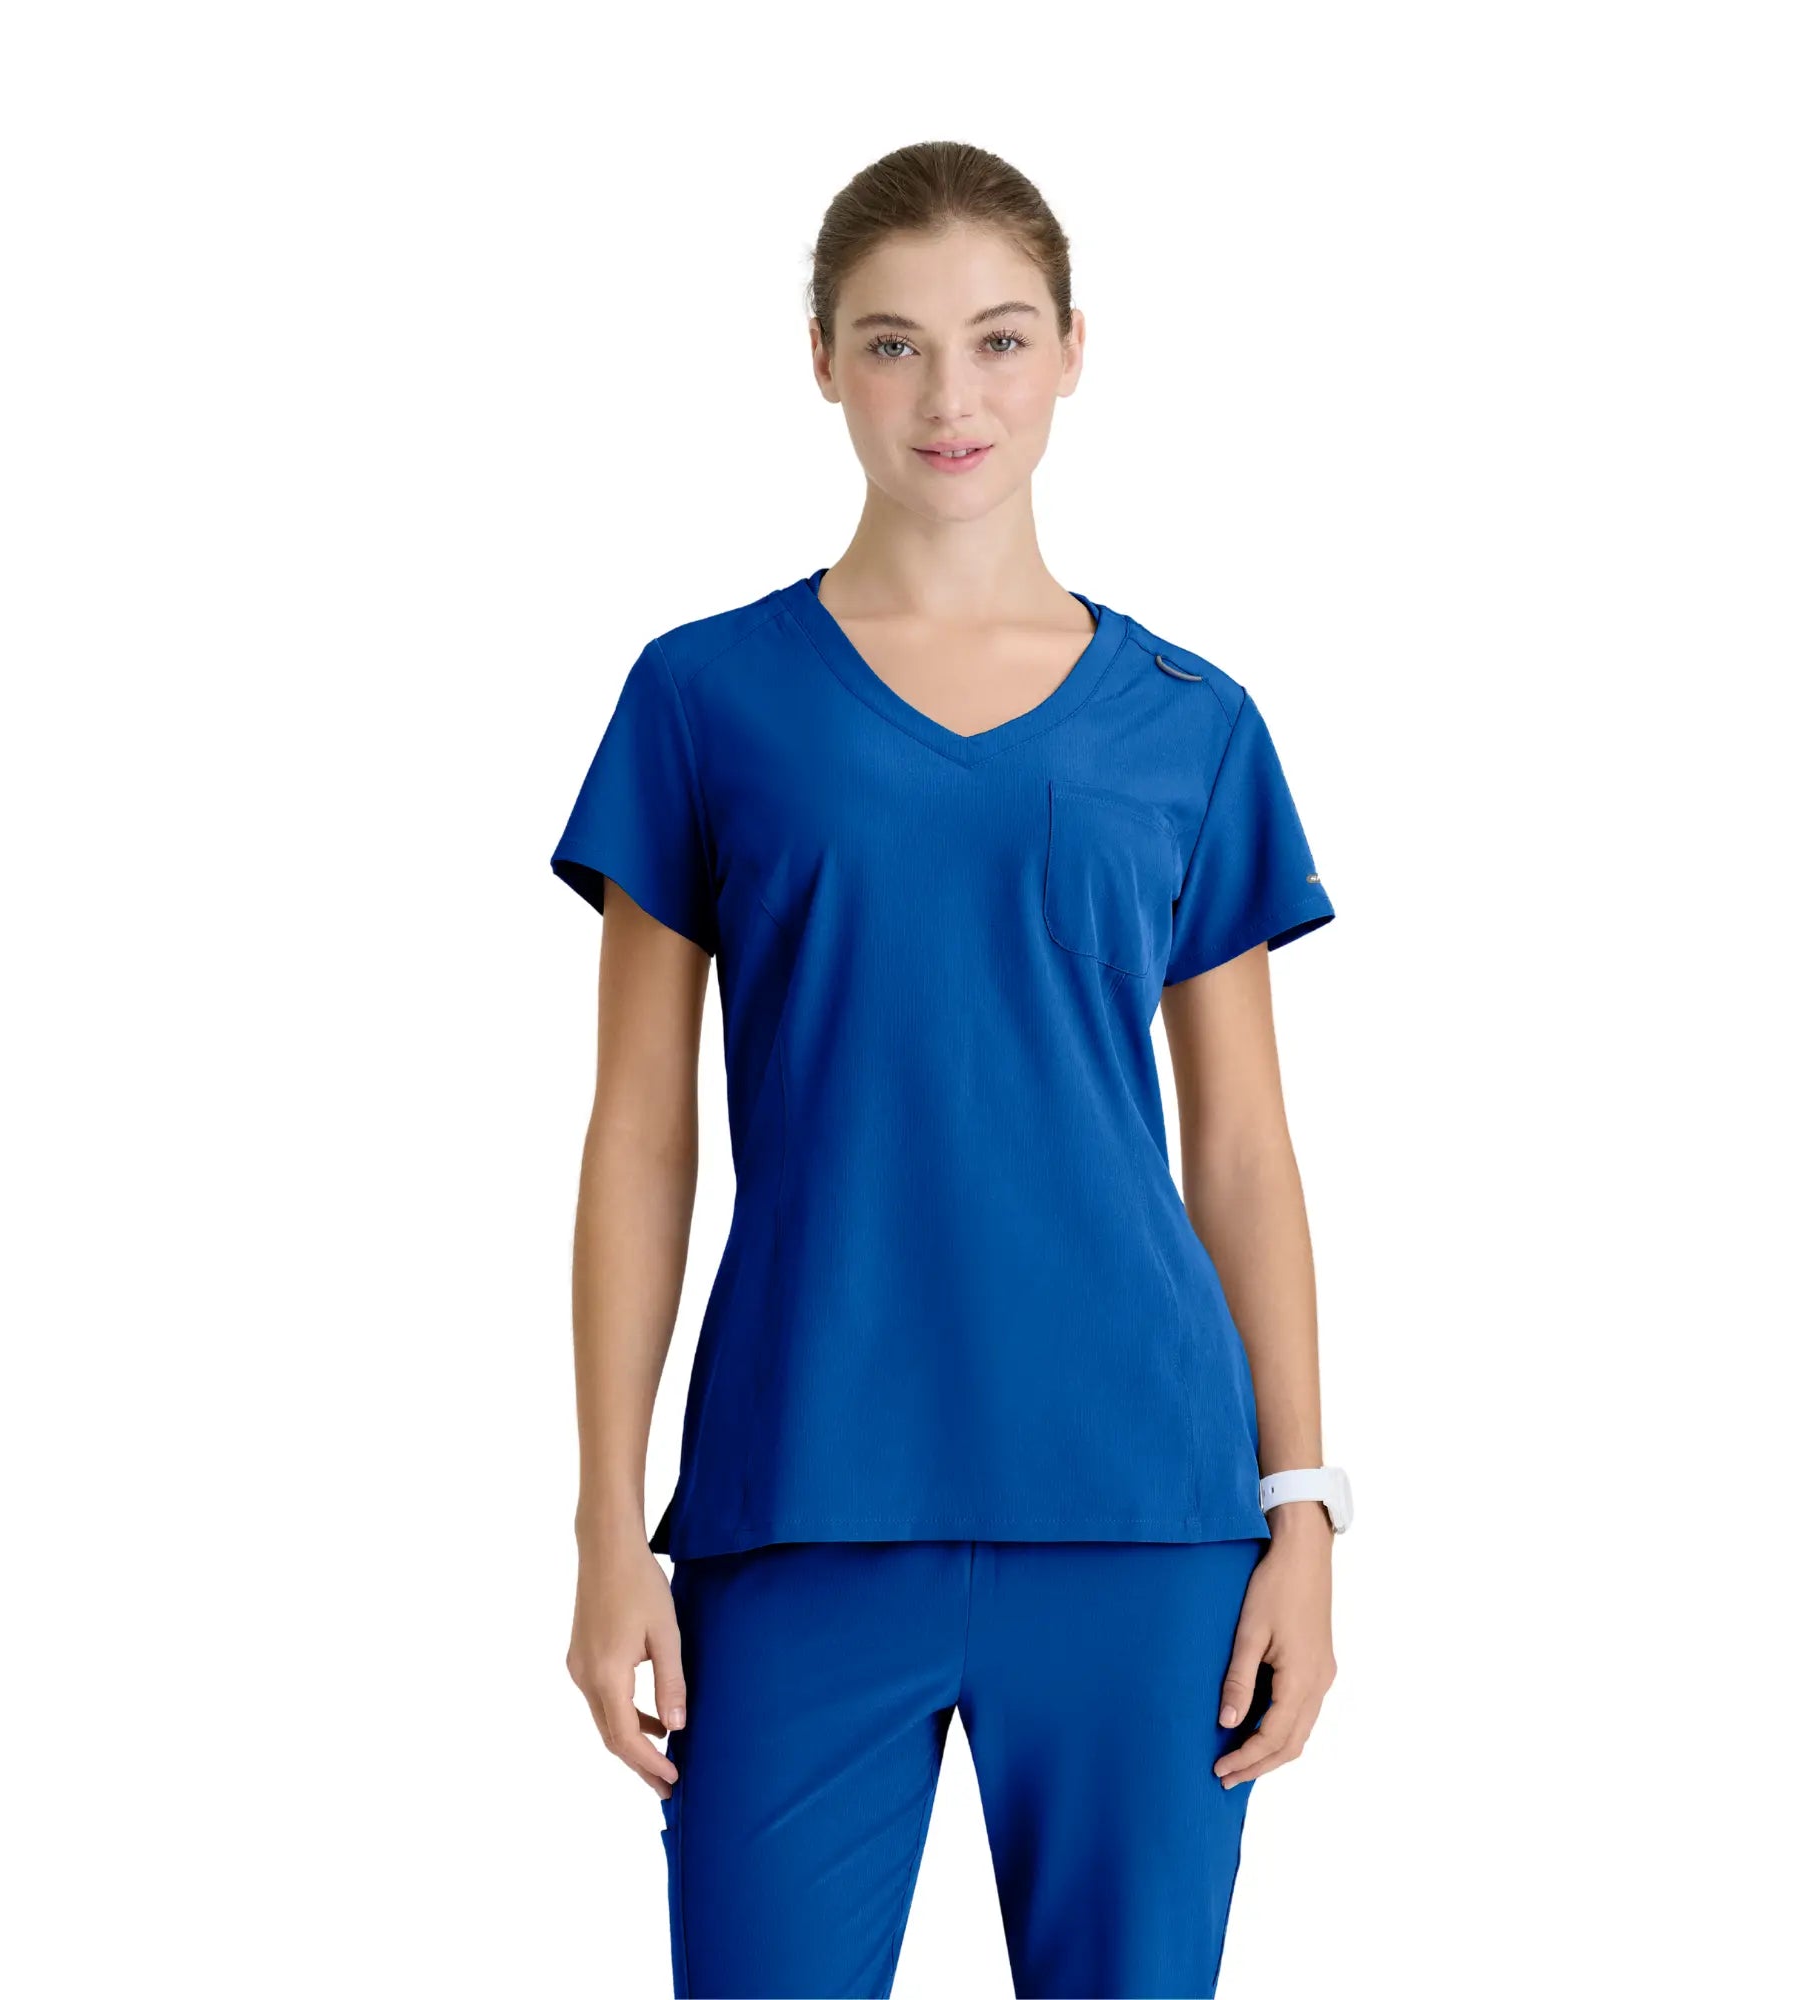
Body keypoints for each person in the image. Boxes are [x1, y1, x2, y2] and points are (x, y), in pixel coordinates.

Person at [553, 140, 1352, 2000]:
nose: (950, 395)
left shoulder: (1191, 724)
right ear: (821, 361)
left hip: (1145, 1512)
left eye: (997, 339)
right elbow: (639, 1137)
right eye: (894, 343)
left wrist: (1304, 1506)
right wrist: (604, 1526)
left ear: (1072, 351)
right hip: (796, 1503)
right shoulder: (703, 699)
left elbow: (1243, 1149)